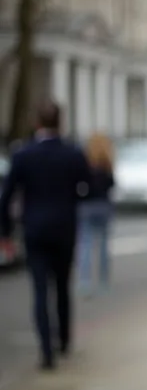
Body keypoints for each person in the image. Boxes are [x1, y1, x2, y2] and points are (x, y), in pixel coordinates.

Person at [0, 101, 91, 370]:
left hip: (35, 228)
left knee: (40, 290)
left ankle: (46, 350)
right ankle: (63, 339)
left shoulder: (23, 154)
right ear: (60, 123)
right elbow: (85, 186)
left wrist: (5, 230)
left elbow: (6, 197)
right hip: (64, 227)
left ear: (37, 123)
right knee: (62, 286)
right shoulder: (72, 153)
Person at [76, 133, 116, 297]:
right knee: (103, 247)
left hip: (87, 206)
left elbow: (79, 186)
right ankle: (104, 282)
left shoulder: (86, 164)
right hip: (103, 206)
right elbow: (112, 184)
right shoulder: (107, 163)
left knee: (85, 245)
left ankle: (85, 282)